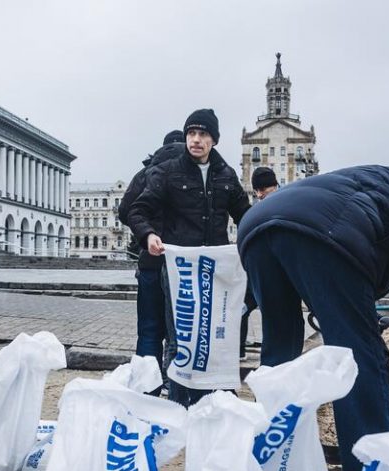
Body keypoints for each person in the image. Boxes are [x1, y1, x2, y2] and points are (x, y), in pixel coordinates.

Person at [236, 164, 389, 471]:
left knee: (278, 360)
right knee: (357, 361)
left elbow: (341, 302)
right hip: (322, 233)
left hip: (255, 230)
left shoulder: (355, 188)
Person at [128, 109, 251, 407]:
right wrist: (148, 235)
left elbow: (245, 216)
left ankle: (215, 394)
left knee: (213, 334)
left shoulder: (226, 175)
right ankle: (180, 399)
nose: (196, 140)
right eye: (191, 134)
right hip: (179, 270)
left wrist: (255, 240)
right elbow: (137, 209)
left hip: (213, 271)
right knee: (181, 334)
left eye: (203, 134)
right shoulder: (168, 171)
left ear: (214, 140)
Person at [119, 129, 185, 395]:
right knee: (180, 331)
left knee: (148, 331)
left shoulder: (145, 173)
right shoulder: (193, 172)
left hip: (150, 262)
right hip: (183, 264)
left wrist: (146, 230)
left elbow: (125, 211)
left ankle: (147, 392)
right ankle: (179, 389)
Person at [239, 166, 279, 360]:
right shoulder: (256, 212)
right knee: (246, 308)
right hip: (260, 272)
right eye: (260, 191)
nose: (262, 194)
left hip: (267, 272)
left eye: (265, 190)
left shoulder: (259, 211)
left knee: (268, 313)